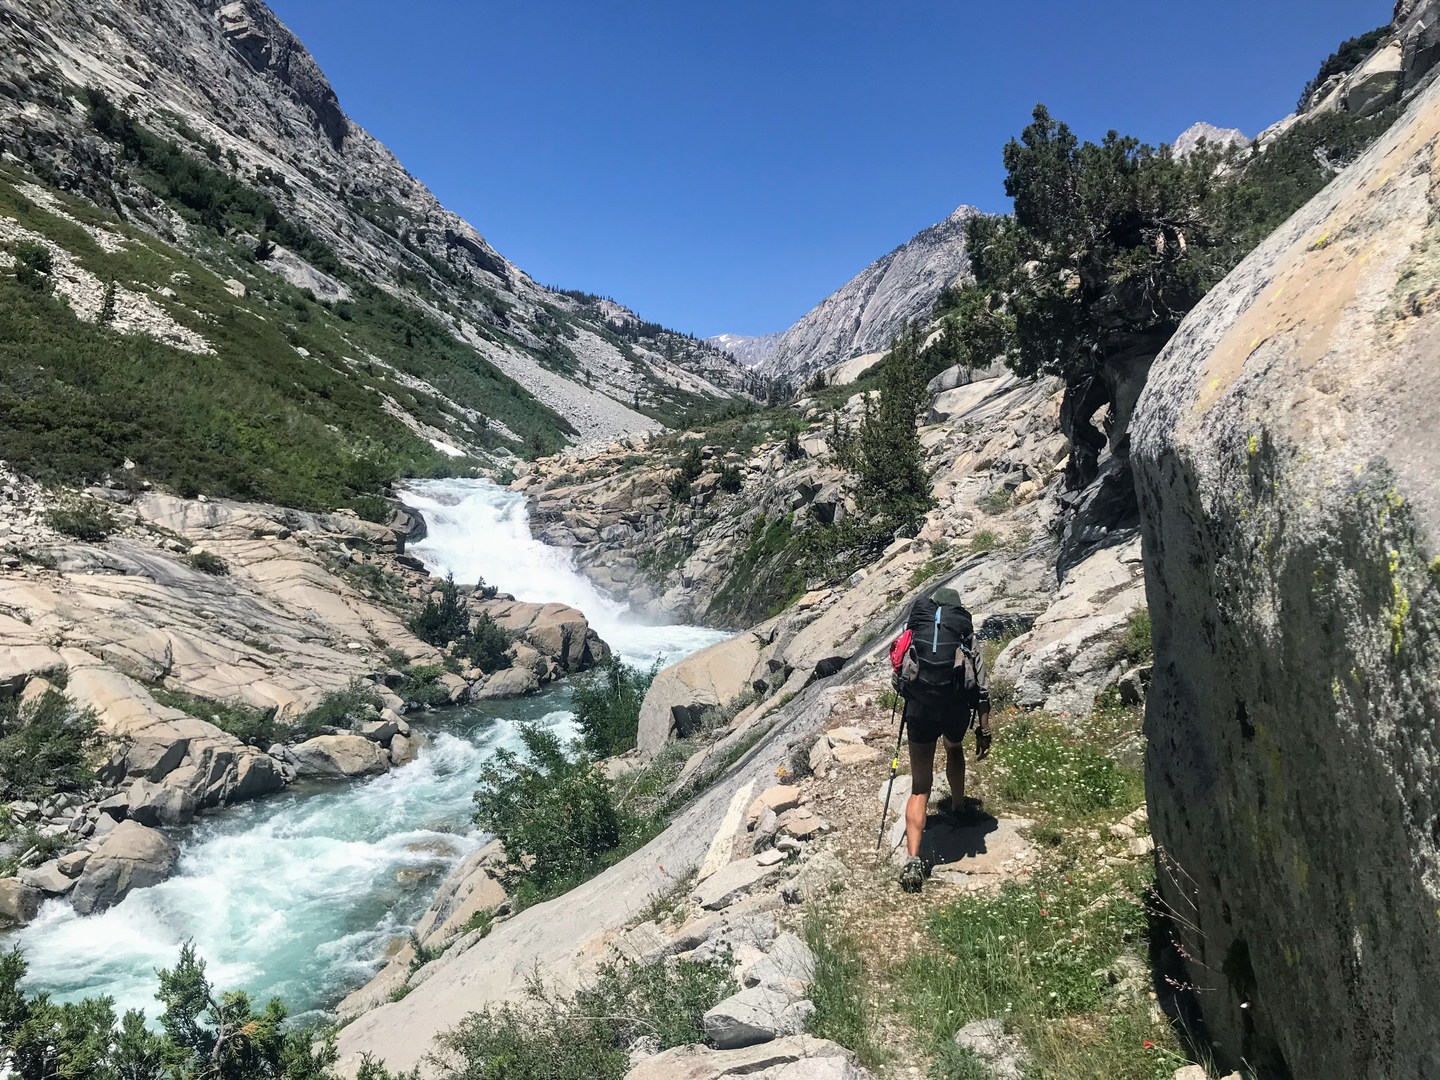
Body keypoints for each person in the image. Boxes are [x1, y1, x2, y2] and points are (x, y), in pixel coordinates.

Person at [893, 586, 991, 892]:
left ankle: (913, 860)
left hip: (920, 710)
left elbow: (899, 672)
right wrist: (984, 729)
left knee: (920, 787)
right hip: (955, 709)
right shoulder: (964, 636)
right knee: (953, 748)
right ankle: (959, 808)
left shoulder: (918, 631)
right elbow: (982, 687)